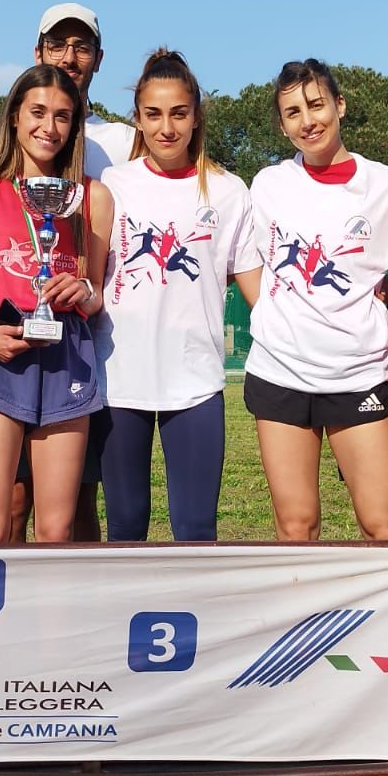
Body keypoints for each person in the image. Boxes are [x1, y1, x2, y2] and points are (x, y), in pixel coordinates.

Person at [0, 3, 135, 543]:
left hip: (67, 352)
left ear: (75, 125)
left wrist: (83, 291)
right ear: (15, 117)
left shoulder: (92, 197)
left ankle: (55, 626)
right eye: (37, 113)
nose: (49, 127)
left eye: (62, 116)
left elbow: (94, 295)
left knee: (57, 527)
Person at [243, 59, 388, 542]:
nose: (307, 121)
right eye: (291, 112)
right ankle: (305, 619)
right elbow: (252, 264)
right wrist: (270, 312)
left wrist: (379, 288)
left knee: (382, 525)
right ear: (282, 125)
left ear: (340, 105)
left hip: (357, 375)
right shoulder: (268, 184)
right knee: (296, 525)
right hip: (279, 372)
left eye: (315, 105)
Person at [96, 50, 262, 541]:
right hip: (119, 379)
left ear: (196, 117)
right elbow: (89, 275)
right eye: (153, 114)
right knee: (125, 527)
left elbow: (259, 292)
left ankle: (195, 621)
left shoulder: (230, 191)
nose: (166, 127)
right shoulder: (112, 184)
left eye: (178, 113)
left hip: (194, 381)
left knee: (195, 529)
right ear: (138, 120)